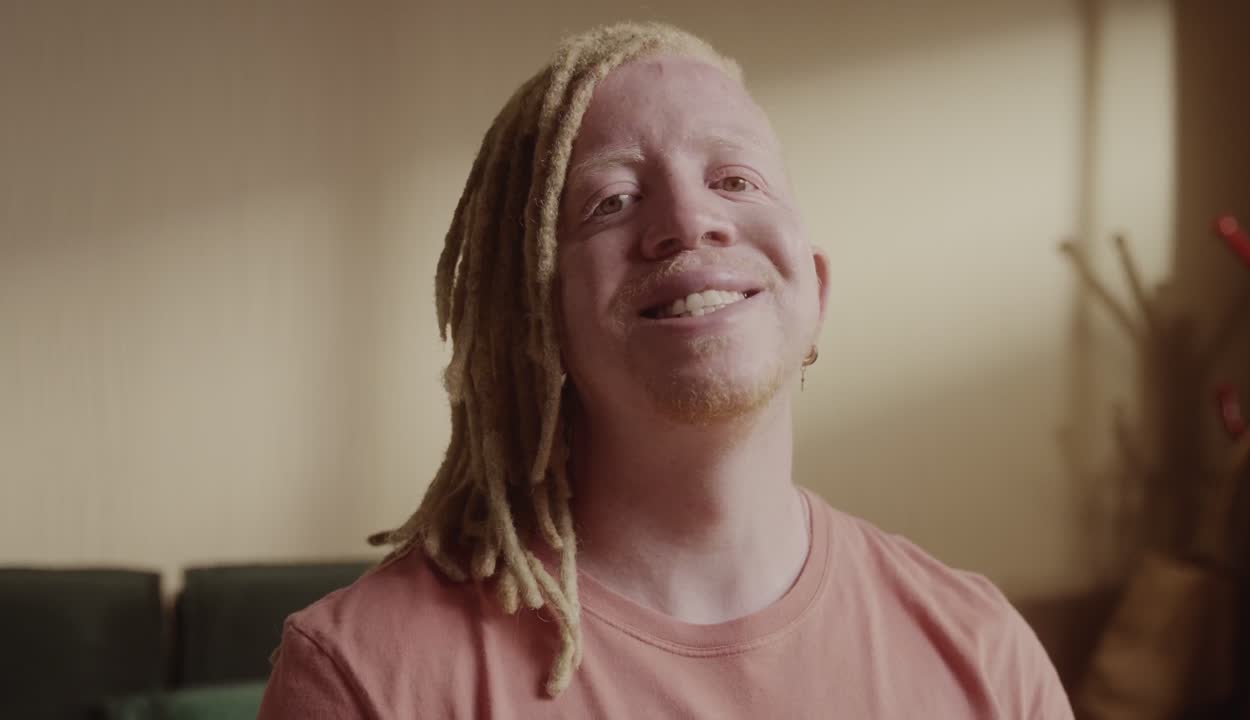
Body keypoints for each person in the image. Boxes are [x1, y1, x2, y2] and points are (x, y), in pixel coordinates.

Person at [258, 21, 1074, 718]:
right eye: (610, 201)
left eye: (735, 179)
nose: (688, 221)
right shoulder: (364, 678)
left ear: (815, 289)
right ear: (533, 320)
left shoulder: (986, 656)